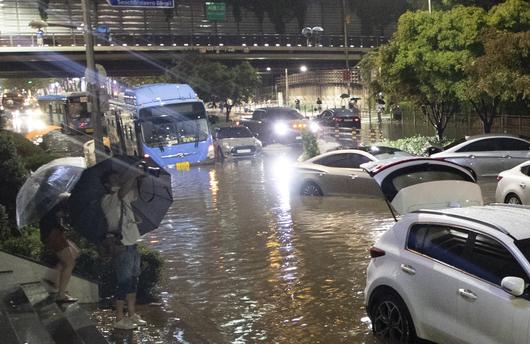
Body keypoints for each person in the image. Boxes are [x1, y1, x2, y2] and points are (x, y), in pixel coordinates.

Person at [101, 167, 146, 330]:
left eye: (118, 179)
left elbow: (134, 192)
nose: (118, 182)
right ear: (107, 185)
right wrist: (133, 173)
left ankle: (132, 314)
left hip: (133, 244)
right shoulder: (108, 200)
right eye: (114, 180)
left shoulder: (124, 195)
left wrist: (140, 178)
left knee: (133, 281)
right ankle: (119, 318)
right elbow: (121, 193)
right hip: (122, 247)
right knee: (123, 283)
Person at [39, 193, 79, 303]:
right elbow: (55, 219)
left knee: (75, 252)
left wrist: (63, 226)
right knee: (70, 263)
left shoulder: (55, 201)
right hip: (53, 234)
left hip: (55, 233)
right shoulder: (59, 202)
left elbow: (57, 219)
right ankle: (61, 295)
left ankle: (51, 279)